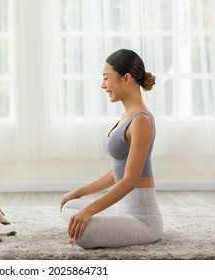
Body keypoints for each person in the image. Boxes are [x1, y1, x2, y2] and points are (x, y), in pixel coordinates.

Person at [60, 49, 163, 248]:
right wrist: (77, 192)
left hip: (142, 219)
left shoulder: (141, 119)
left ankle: (96, 225)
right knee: (71, 205)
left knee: (84, 234)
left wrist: (89, 211)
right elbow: (117, 172)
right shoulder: (127, 116)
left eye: (106, 78)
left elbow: (130, 180)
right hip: (121, 209)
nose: (103, 85)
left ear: (126, 78)